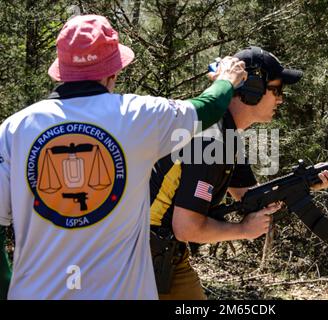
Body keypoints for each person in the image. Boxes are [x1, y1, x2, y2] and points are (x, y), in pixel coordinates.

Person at [0, 14, 247, 300]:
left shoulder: (13, 130)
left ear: (61, 71)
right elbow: (206, 109)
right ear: (112, 73)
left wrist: (8, 287)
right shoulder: (137, 116)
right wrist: (226, 79)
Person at [149, 46, 328, 300]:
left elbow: (251, 198)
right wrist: (243, 230)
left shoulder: (225, 135)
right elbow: (187, 228)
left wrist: (305, 184)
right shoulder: (211, 139)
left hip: (166, 255)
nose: (281, 99)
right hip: (142, 256)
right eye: (277, 90)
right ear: (251, 90)